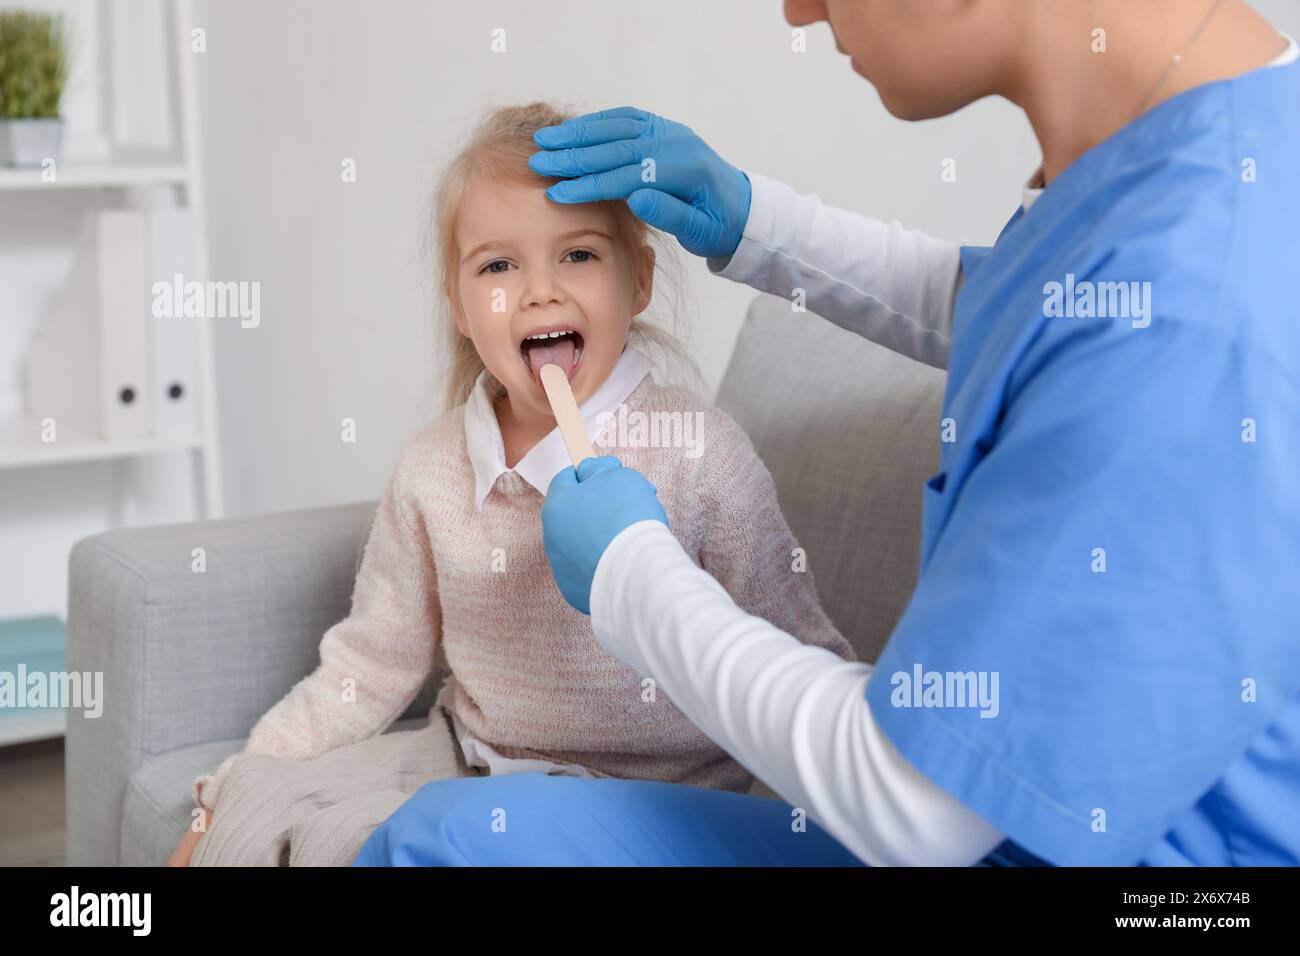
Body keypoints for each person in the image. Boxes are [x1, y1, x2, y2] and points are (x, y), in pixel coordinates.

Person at [355, 0, 1300, 867]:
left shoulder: (1191, 312)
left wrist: (629, 576)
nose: (798, 7)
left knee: (455, 846)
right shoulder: (1199, 162)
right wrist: (760, 222)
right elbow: (1026, 307)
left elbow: (919, 807)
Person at [168, 101, 855, 867]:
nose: (538, 292)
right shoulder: (432, 470)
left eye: (579, 255)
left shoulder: (700, 453)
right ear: (462, 307)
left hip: (657, 794)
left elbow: (802, 658)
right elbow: (369, 664)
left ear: (639, 282)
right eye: (498, 266)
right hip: (471, 758)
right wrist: (232, 787)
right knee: (260, 801)